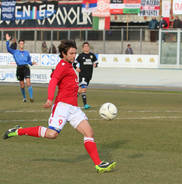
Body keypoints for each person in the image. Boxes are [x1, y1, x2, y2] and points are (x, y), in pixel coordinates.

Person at [3, 40, 116, 174]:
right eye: (71, 53)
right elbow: (53, 82)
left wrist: (78, 90)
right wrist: (50, 99)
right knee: (52, 134)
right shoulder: (62, 65)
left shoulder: (69, 66)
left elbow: (67, 85)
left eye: (75, 53)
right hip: (62, 106)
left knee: (89, 133)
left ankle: (99, 165)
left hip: (73, 108)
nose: (74, 56)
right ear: (63, 54)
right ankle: (18, 131)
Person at [6, 33, 35, 102]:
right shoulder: (15, 52)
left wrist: (32, 63)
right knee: (22, 85)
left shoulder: (27, 53)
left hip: (26, 68)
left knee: (28, 82)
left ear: (24, 44)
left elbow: (29, 61)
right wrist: (7, 41)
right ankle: (24, 98)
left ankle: (31, 98)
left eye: (22, 43)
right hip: (19, 69)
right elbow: (8, 49)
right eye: (20, 43)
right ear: (19, 44)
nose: (21, 44)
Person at [73, 42, 98, 110]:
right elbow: (74, 63)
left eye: (87, 46)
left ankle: (72, 101)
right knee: (84, 89)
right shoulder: (81, 55)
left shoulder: (92, 55)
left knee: (80, 90)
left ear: (89, 47)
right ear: (83, 48)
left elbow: (96, 62)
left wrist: (95, 65)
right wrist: (76, 68)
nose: (86, 47)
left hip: (89, 76)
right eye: (85, 46)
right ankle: (85, 104)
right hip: (82, 75)